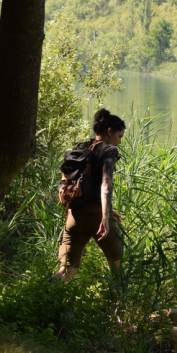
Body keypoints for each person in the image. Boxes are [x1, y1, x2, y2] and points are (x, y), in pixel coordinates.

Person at [52, 109, 126, 282]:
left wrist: (109, 209)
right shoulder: (109, 151)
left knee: (66, 268)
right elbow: (105, 185)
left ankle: (44, 296)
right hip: (96, 215)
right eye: (119, 136)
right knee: (117, 263)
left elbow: (74, 180)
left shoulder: (80, 147)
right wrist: (105, 217)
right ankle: (117, 303)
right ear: (109, 131)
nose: (120, 142)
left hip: (74, 215)